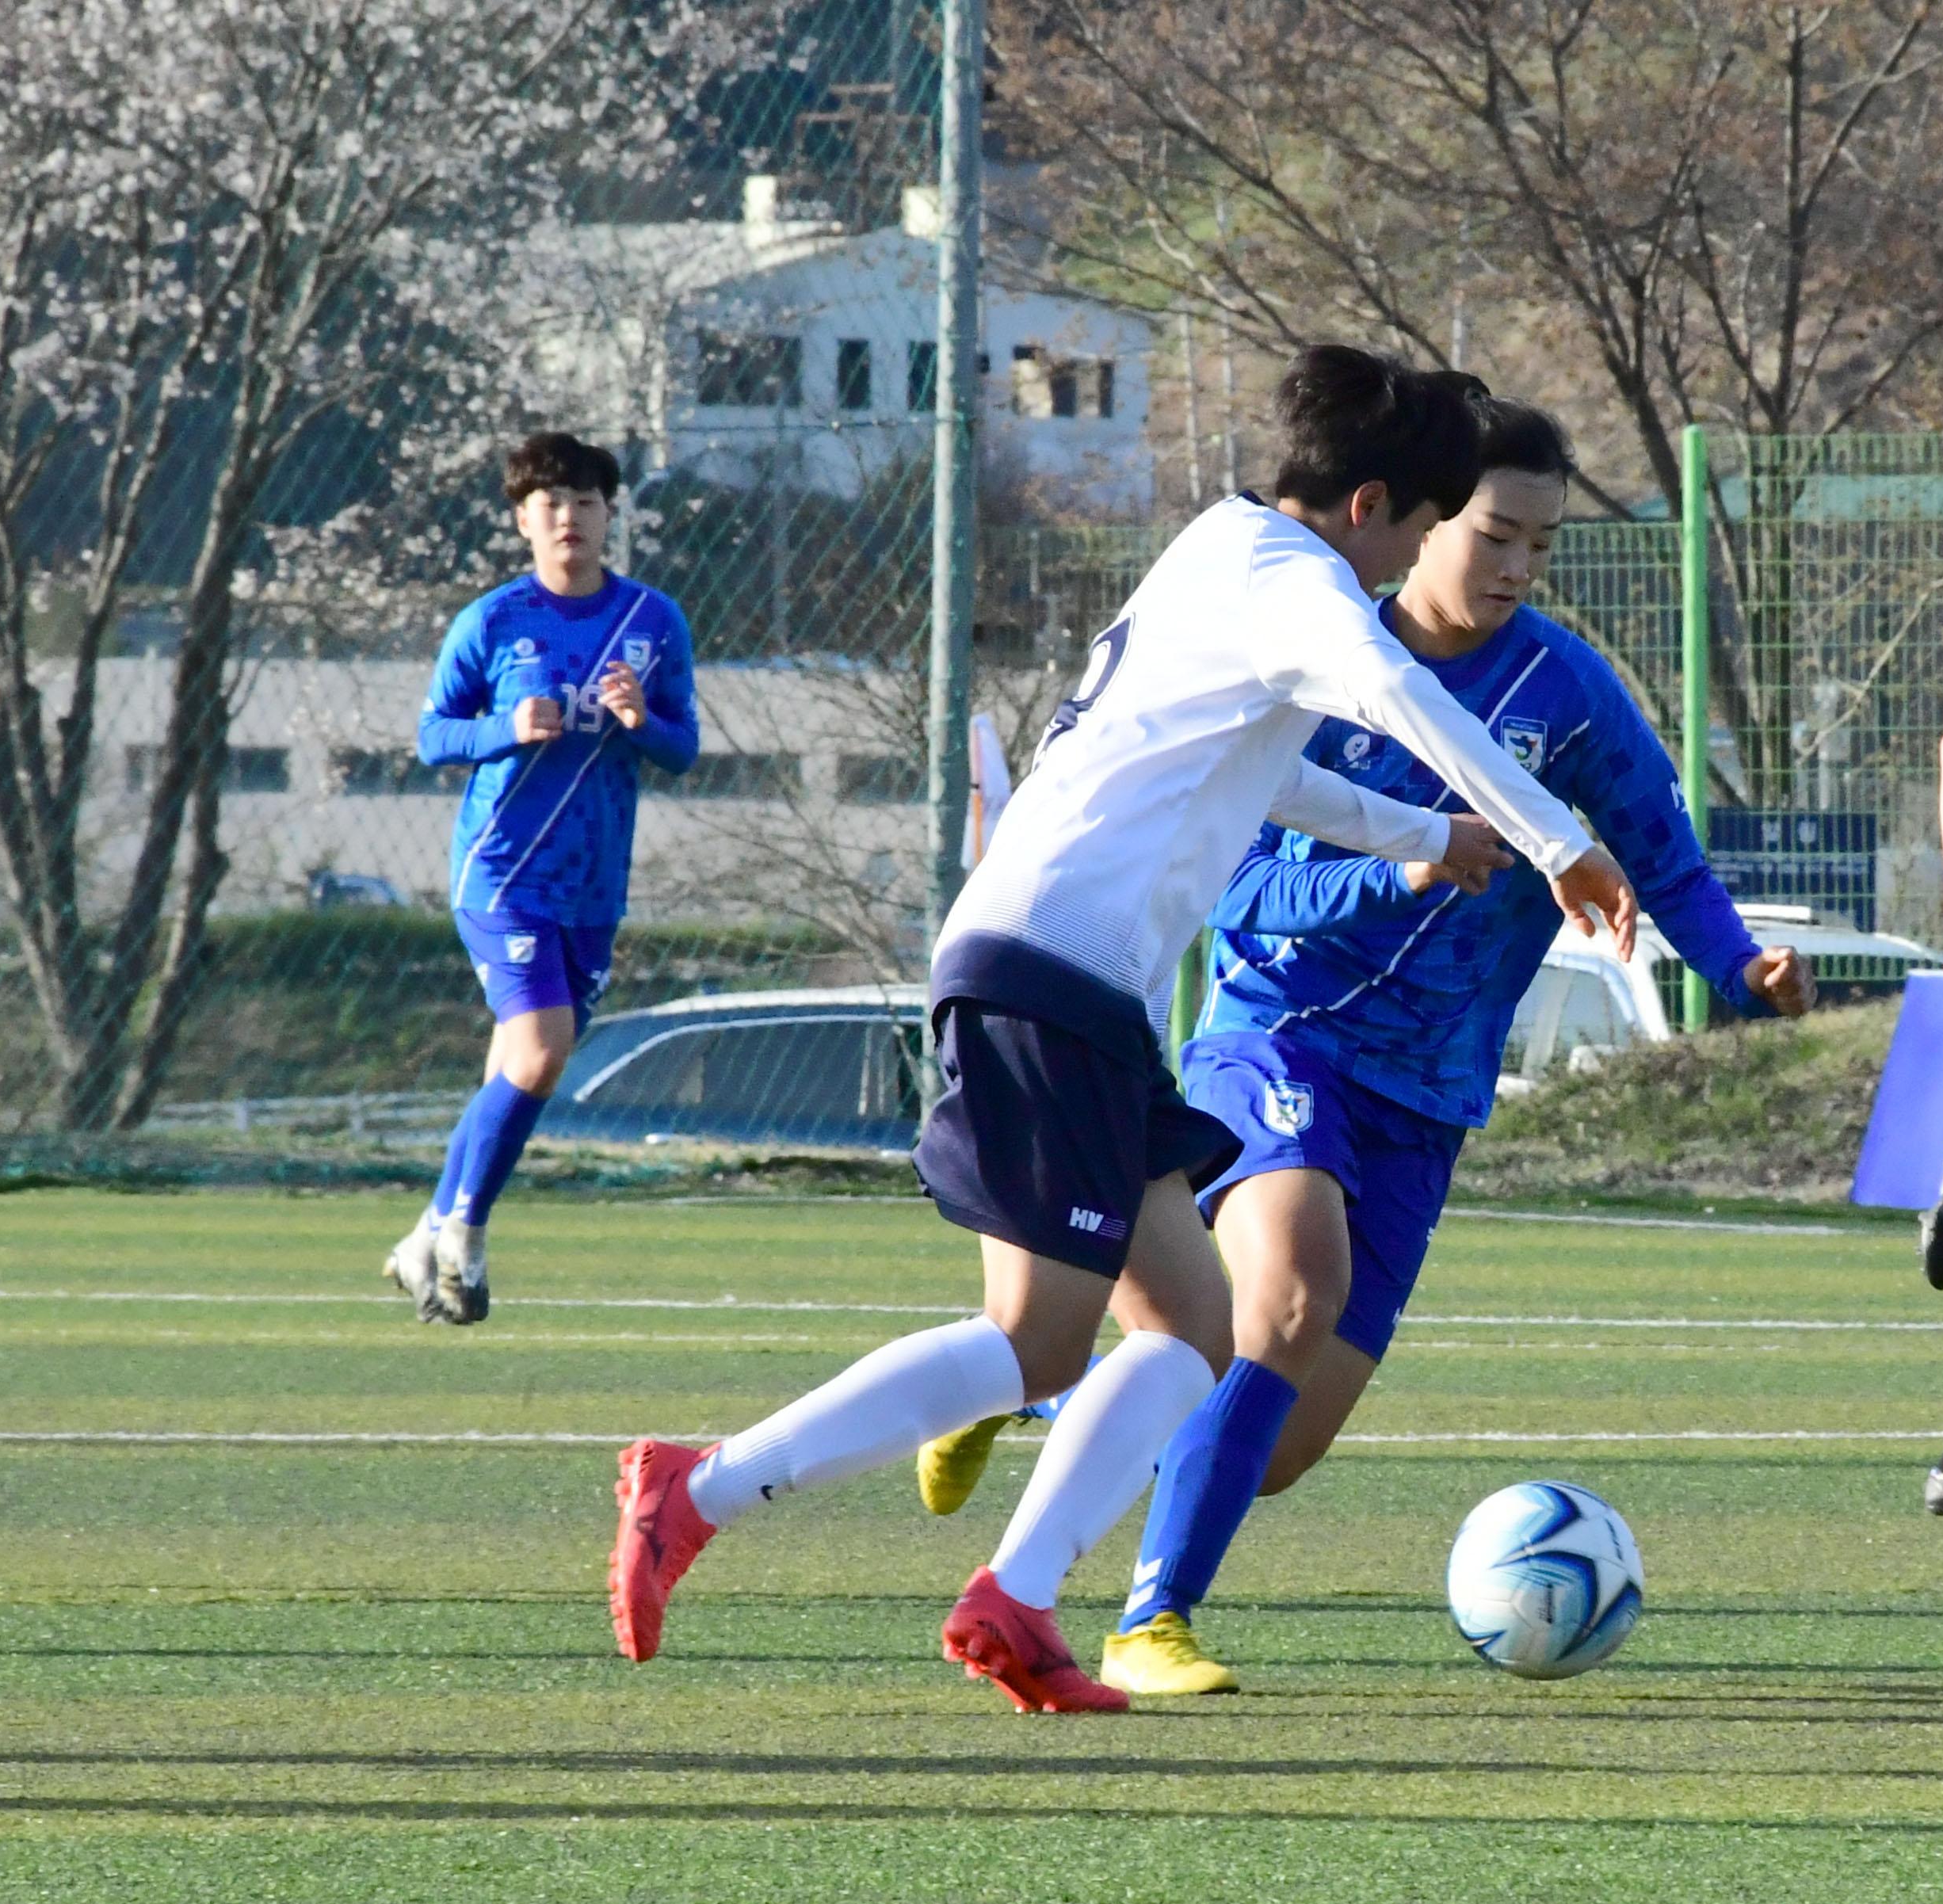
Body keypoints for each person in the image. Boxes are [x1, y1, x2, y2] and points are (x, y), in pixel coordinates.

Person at [603, 346, 1638, 1711]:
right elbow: (1397, 701)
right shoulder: (1294, 580)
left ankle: (1012, 1603)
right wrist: (1548, 833)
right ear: (1372, 503)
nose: (1401, 575)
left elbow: (1283, 775)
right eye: (1413, 534)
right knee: (1036, 1346)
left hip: (1085, 988)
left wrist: (1428, 835)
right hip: (1047, 969)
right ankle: (705, 1486)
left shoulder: (1228, 554)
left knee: (1197, 1326)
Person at [912, 395, 1815, 1697]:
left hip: (1427, 1090)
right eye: (1494, 532)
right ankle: (1146, 1620)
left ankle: (1027, 1388)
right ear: (1418, 517)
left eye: (1539, 546)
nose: (1513, 567)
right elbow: (1247, 894)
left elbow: (1657, 848)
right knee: (1283, 1293)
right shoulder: (1310, 659)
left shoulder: (1561, 689)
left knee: (1269, 1435)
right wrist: (1400, 868)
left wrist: (1738, 966)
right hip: (1274, 1041)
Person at [384, 433, 697, 1326]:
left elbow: (683, 746)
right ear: (523, 519)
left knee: (526, 1070)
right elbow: (433, 734)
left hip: (594, 885)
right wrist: (503, 727)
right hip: (500, 871)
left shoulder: (652, 619)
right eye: (551, 503)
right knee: (540, 1051)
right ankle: (465, 1237)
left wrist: (641, 721)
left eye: (587, 502)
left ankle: (424, 1235)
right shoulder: (493, 619)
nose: (570, 518)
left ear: (609, 515)